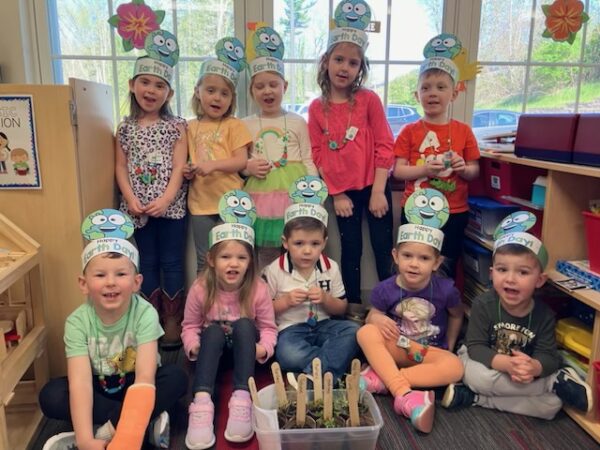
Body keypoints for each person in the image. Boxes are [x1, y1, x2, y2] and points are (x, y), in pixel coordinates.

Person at [39, 210, 187, 450]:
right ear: (84, 284)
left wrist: (114, 433)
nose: (110, 282)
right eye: (100, 275)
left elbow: (145, 378)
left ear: (137, 282)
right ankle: (132, 424)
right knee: (51, 394)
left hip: (136, 385)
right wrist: (86, 440)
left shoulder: (145, 313)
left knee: (175, 378)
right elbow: (80, 382)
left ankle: (112, 430)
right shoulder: (77, 322)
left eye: (120, 274)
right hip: (98, 387)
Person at [442, 211, 593, 419]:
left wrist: (534, 367)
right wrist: (505, 364)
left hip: (523, 375)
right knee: (474, 376)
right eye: (503, 270)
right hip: (489, 365)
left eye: (522, 272)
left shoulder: (545, 315)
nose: (510, 279)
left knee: (551, 406)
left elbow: (549, 355)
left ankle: (476, 398)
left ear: (539, 280)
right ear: (492, 273)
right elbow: (476, 348)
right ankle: (551, 384)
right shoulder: (483, 304)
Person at [307, 0, 394, 303]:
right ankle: (354, 308)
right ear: (326, 62)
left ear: (360, 68)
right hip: (344, 194)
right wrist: (337, 193)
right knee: (351, 252)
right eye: (339, 60)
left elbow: (385, 144)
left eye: (352, 63)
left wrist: (379, 190)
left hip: (375, 188)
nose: (344, 68)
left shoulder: (369, 101)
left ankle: (393, 308)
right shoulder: (317, 109)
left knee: (385, 251)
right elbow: (319, 154)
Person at [357, 189, 464, 433]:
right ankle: (405, 394)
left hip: (427, 352)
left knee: (455, 367)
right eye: (407, 256)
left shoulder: (446, 290)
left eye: (424, 258)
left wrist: (449, 342)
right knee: (365, 333)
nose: (414, 263)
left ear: (436, 263)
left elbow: (457, 314)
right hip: (398, 345)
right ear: (396, 256)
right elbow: (371, 315)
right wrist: (377, 318)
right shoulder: (385, 289)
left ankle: (386, 379)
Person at [181, 190, 277, 449]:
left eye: (241, 258)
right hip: (212, 351)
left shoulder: (258, 288)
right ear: (211, 259)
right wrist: (193, 346)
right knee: (211, 331)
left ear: (250, 261)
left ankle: (242, 398)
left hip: (244, 350)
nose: (233, 264)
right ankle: (201, 402)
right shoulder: (201, 288)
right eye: (225, 257)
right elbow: (189, 326)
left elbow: (268, 328)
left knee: (244, 324)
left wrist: (263, 348)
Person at [114, 37, 188, 346]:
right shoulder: (125, 128)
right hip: (137, 210)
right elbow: (120, 166)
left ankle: (172, 319)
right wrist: (131, 199)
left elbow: (180, 167)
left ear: (169, 93)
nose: (151, 90)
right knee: (146, 262)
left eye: (159, 86)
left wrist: (167, 198)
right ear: (132, 84)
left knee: (172, 262)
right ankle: (149, 319)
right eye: (145, 82)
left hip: (170, 209)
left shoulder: (177, 126)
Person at [262, 178, 360, 386]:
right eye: (299, 243)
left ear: (324, 243)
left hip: (325, 325)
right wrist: (286, 301)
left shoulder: (330, 267)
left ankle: (315, 375)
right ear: (285, 243)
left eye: (314, 243)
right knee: (287, 355)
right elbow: (263, 311)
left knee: (352, 332)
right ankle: (333, 369)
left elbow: (342, 307)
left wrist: (325, 299)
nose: (307, 250)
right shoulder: (274, 270)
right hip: (291, 329)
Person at [393, 55, 480, 279]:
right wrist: (424, 170)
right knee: (412, 266)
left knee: (447, 265)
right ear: (417, 95)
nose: (433, 93)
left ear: (454, 94)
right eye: (426, 88)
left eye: (441, 87)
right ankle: (413, 307)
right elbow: (399, 171)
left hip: (454, 211)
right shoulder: (408, 131)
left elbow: (474, 172)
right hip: (415, 211)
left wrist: (462, 168)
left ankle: (443, 311)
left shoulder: (464, 131)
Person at [243, 25, 318, 270]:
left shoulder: (297, 121)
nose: (267, 91)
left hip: (293, 192)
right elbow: (241, 164)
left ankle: (291, 290)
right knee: (265, 249)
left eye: (273, 84)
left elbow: (307, 158)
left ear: (284, 86)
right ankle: (267, 293)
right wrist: (248, 168)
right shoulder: (246, 124)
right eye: (260, 86)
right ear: (251, 91)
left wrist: (315, 194)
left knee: (296, 244)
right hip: (261, 192)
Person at [184, 37, 252, 275]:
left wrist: (211, 166)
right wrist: (187, 169)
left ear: (231, 99)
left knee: (232, 260)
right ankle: (204, 310)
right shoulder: (189, 127)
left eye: (224, 93)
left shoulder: (234, 125)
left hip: (231, 204)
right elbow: (185, 161)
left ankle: (233, 307)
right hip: (200, 205)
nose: (217, 98)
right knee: (205, 260)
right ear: (197, 92)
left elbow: (241, 161)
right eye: (211, 91)